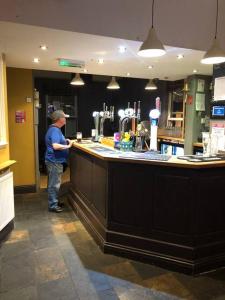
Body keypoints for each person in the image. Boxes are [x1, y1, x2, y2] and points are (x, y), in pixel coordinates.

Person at [45, 110, 74, 212]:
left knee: (54, 183)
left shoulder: (54, 129)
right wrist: (68, 145)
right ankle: (53, 205)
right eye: (64, 118)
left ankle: (54, 202)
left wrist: (64, 140)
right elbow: (55, 146)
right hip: (54, 161)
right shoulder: (55, 130)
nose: (66, 119)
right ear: (60, 119)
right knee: (54, 184)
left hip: (54, 161)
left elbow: (56, 141)